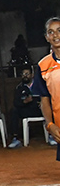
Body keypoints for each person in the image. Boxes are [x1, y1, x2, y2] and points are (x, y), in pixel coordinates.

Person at [31, 17, 60, 155]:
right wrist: (50, 125)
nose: (56, 35)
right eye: (51, 32)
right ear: (46, 37)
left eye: (59, 30)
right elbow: (44, 99)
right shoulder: (43, 66)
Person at [8, 66, 41, 148]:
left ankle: (52, 136)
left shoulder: (39, 85)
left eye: (27, 74)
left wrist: (43, 102)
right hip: (26, 110)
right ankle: (15, 138)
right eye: (23, 74)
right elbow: (16, 103)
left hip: (39, 110)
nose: (25, 76)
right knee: (14, 111)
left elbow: (46, 96)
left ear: (32, 75)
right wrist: (24, 101)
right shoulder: (19, 87)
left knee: (50, 108)